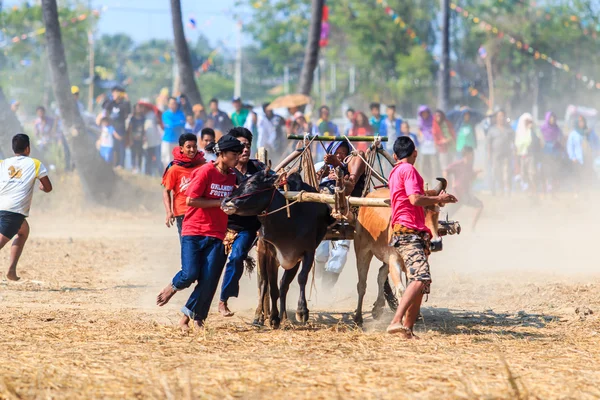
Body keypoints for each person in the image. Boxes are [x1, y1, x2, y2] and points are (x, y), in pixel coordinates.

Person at [156, 134, 243, 331]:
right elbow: (191, 200)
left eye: (239, 154)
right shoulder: (205, 172)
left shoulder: (232, 176)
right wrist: (220, 203)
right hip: (194, 230)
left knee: (209, 278)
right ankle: (173, 286)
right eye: (234, 154)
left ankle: (192, 318)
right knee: (190, 274)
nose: (237, 158)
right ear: (221, 154)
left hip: (217, 233)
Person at [386, 136, 457, 338]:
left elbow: (412, 196)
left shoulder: (394, 172)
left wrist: (433, 197)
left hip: (409, 231)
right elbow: (415, 199)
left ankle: (407, 330)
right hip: (408, 230)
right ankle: (395, 321)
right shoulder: (408, 170)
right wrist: (438, 198)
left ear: (394, 155)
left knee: (421, 283)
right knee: (420, 276)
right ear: (415, 153)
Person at [219, 127, 266, 316]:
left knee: (237, 256)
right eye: (240, 147)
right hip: (223, 225)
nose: (245, 150)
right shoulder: (224, 171)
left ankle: (223, 300)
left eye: (248, 146)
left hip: (249, 226)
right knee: (212, 265)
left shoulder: (259, 169)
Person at [0, 134, 53, 281]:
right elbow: (48, 187)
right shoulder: (35, 164)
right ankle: (11, 269)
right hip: (13, 210)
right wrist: (42, 187)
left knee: (23, 231)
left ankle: (11, 270)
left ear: (13, 149)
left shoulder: (3, 163)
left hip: (3, 207)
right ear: (28, 148)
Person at [314, 141, 366, 287]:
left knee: (342, 248)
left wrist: (340, 169)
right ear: (330, 152)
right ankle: (318, 271)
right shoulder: (319, 166)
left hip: (345, 212)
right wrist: (322, 176)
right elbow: (311, 185)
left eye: (343, 152)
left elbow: (353, 168)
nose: (340, 154)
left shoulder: (350, 169)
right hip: (322, 211)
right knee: (320, 250)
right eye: (337, 152)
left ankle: (327, 287)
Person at [162, 133, 206, 237]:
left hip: (201, 212)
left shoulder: (203, 166)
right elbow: (166, 191)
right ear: (181, 148)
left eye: (194, 146)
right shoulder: (174, 169)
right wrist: (169, 212)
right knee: (187, 247)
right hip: (183, 213)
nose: (192, 150)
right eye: (188, 147)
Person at [444, 147, 483, 230]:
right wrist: (447, 182)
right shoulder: (459, 164)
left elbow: (470, 178)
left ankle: (472, 228)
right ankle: (472, 228)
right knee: (447, 214)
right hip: (458, 193)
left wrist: (475, 174)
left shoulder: (469, 165)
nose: (473, 155)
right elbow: (446, 170)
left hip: (465, 193)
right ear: (467, 154)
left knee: (448, 213)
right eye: (472, 153)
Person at [567, 115, 599, 193]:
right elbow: (570, 146)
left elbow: (597, 142)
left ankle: (586, 191)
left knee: (587, 174)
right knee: (577, 176)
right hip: (577, 158)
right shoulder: (573, 134)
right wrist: (573, 157)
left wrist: (597, 151)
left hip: (588, 157)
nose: (582, 123)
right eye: (580, 122)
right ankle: (577, 192)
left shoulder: (590, 132)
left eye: (583, 121)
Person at [486, 110, 514, 196]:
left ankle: (508, 191)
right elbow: (489, 143)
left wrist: (514, 153)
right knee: (497, 173)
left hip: (506, 155)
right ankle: (500, 190)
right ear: (496, 118)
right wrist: (489, 154)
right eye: (499, 116)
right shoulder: (492, 129)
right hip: (496, 155)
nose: (501, 118)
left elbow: (513, 141)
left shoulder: (509, 129)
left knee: (507, 173)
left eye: (503, 116)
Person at [103, 86, 131, 168]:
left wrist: (127, 99)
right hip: (111, 128)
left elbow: (128, 111)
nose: (116, 94)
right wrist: (112, 98)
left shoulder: (123, 104)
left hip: (120, 128)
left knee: (121, 147)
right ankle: (113, 164)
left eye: (118, 92)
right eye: (114, 92)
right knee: (112, 147)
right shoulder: (111, 103)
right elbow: (105, 107)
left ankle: (121, 164)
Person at [514, 113, 541, 193]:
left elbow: (537, 141)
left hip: (531, 156)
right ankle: (527, 191)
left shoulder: (534, 131)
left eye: (530, 122)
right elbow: (517, 145)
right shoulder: (520, 132)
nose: (528, 123)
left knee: (532, 174)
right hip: (522, 156)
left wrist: (531, 131)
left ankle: (534, 191)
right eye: (527, 122)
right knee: (524, 175)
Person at [540, 111, 563, 193]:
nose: (553, 119)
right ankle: (546, 188)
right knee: (546, 171)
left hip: (555, 153)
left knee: (555, 170)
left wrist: (559, 145)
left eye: (554, 118)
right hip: (546, 152)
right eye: (551, 118)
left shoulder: (557, 129)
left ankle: (553, 189)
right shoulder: (543, 128)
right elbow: (540, 139)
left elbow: (561, 138)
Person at [416, 105, 439, 184]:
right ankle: (425, 179)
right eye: (422, 113)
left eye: (425, 112)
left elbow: (436, 129)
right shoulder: (420, 120)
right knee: (424, 163)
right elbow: (419, 130)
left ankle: (434, 178)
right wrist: (421, 135)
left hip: (432, 143)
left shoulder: (433, 119)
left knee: (433, 162)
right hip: (424, 145)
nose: (424, 114)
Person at [161, 97, 187, 168]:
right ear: (168, 104)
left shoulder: (181, 114)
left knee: (177, 160)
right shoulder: (165, 114)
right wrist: (178, 123)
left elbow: (183, 123)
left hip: (177, 140)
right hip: (167, 140)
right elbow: (170, 125)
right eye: (172, 103)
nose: (173, 105)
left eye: (175, 103)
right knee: (166, 160)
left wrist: (175, 123)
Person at [141, 102, 164, 176]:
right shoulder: (141, 116)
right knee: (147, 159)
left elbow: (159, 121)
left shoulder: (152, 114)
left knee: (157, 159)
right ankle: (147, 173)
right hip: (146, 142)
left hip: (155, 141)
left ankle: (160, 174)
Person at [127, 104, 146, 174]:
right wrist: (130, 139)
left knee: (140, 154)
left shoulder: (143, 118)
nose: (138, 109)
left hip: (140, 138)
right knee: (133, 153)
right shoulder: (132, 118)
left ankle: (140, 168)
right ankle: (133, 167)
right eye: (137, 108)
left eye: (139, 108)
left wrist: (144, 137)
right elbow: (130, 129)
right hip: (133, 138)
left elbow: (144, 128)